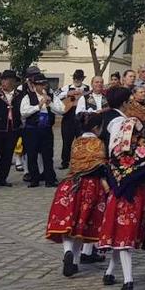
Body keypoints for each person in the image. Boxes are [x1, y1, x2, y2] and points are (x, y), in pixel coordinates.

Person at [98, 104, 145, 290]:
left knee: (121, 235)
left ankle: (112, 273)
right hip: (133, 196)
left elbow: (111, 169)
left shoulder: (117, 149)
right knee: (123, 237)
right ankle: (127, 279)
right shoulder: (143, 150)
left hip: (118, 195)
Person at [44, 112, 109, 277]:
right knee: (83, 224)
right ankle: (75, 261)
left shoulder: (76, 142)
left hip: (71, 183)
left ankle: (68, 252)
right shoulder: (98, 143)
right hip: (90, 186)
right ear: (96, 128)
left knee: (68, 222)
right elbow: (100, 167)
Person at [19, 73, 63, 187]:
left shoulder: (51, 96)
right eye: (39, 84)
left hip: (46, 129)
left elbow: (61, 110)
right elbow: (23, 112)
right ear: (34, 85)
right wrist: (38, 106)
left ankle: (50, 179)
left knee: (48, 155)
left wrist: (50, 103)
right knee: (32, 155)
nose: (42, 87)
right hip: (32, 130)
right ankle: (34, 179)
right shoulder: (28, 97)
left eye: (44, 84)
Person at [0, 69, 21, 186]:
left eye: (6, 80)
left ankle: (1, 178)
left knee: (7, 155)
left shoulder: (20, 95)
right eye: (2, 80)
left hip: (12, 129)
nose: (3, 82)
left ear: (13, 82)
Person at [56, 70, 89, 170]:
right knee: (67, 140)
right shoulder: (67, 87)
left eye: (79, 78)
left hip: (80, 117)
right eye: (76, 78)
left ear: (83, 79)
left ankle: (80, 160)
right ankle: (65, 161)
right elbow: (56, 95)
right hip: (68, 116)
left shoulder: (86, 88)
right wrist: (68, 93)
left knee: (81, 140)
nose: (77, 80)